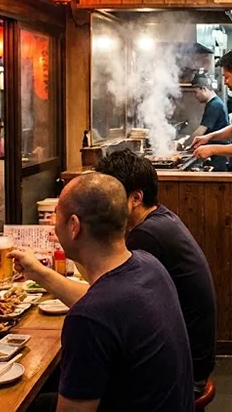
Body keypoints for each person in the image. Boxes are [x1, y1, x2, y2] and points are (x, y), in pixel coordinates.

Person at [13, 173, 193, 411]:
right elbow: (103, 304)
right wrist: (38, 272)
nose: (53, 222)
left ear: (74, 226)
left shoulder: (89, 318)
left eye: (57, 214)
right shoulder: (149, 265)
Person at [92, 150, 217, 395]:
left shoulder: (146, 236)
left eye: (109, 195)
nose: (102, 204)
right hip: (190, 360)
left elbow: (106, 302)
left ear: (136, 197)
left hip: (184, 375)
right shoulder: (159, 220)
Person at [189, 73, 230, 171]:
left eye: (195, 92)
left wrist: (184, 145)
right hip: (217, 153)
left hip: (218, 156)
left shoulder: (214, 106)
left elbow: (200, 132)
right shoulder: (215, 103)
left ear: (203, 89)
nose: (195, 96)